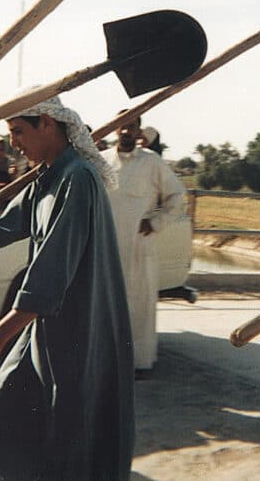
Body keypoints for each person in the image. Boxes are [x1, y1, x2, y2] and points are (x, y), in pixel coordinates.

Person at [0, 94, 134, 481]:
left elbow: (49, 275)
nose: (15, 142)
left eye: (19, 131)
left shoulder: (78, 179)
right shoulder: (46, 179)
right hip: (43, 329)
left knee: (72, 447)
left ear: (47, 125)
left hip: (78, 332)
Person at [102, 113, 185, 376]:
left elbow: (177, 198)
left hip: (139, 245)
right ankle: (107, 363)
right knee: (106, 304)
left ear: (139, 130)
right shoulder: (101, 161)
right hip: (107, 246)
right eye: (122, 126)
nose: (126, 131)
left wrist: (155, 223)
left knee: (138, 306)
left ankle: (138, 363)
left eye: (132, 126)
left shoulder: (152, 162)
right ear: (115, 129)